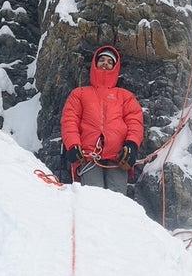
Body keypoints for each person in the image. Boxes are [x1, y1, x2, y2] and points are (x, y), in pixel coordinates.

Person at [61, 45, 143, 194]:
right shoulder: (79, 94)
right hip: (88, 156)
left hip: (118, 158)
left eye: (110, 62)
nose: (105, 63)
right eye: (102, 60)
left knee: (117, 201)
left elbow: (134, 122)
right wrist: (73, 144)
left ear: (115, 67)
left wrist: (131, 145)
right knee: (93, 198)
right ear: (95, 63)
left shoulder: (125, 96)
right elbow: (69, 120)